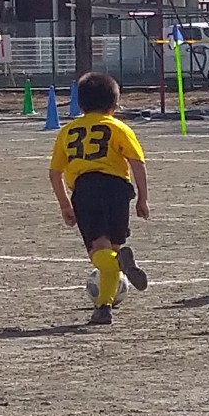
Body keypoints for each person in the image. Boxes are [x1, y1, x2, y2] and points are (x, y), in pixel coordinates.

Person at [48, 72, 151, 325]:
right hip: (118, 188)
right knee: (113, 247)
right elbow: (137, 162)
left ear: (80, 105)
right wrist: (143, 199)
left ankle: (120, 266)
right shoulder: (118, 127)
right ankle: (104, 307)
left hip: (87, 189)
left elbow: (55, 173)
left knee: (99, 252)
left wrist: (65, 205)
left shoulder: (68, 131)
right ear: (114, 106)